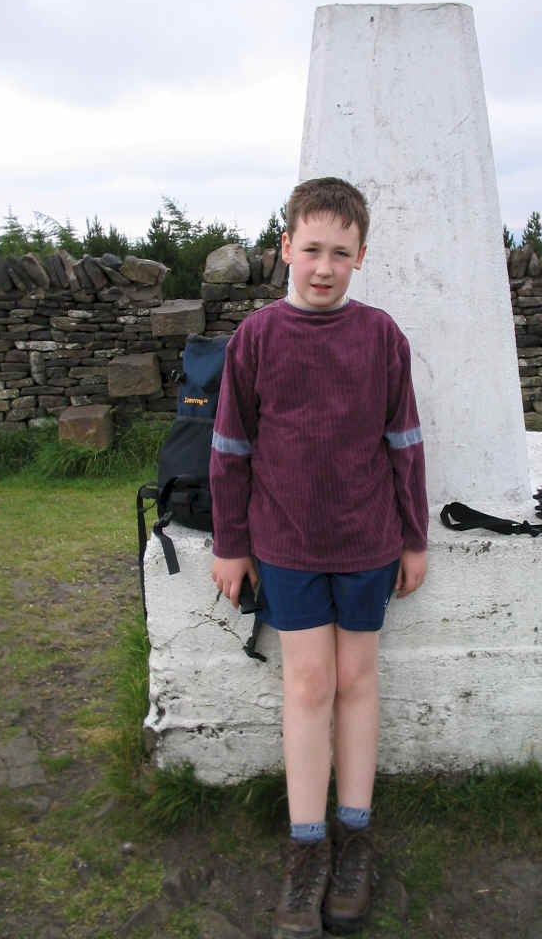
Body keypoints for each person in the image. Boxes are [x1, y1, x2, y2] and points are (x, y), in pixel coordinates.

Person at [210, 176, 428, 938]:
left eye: (341, 252)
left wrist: (413, 536)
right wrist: (232, 545)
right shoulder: (257, 338)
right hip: (287, 546)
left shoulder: (381, 337)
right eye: (311, 250)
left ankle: (356, 838)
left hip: (368, 543)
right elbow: (231, 449)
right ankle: (306, 851)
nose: (324, 266)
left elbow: (403, 441)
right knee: (307, 686)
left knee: (357, 679)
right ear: (285, 250)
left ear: (361, 256)